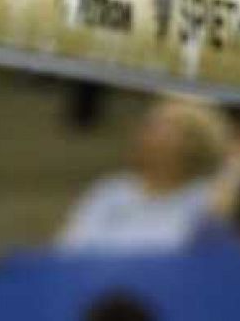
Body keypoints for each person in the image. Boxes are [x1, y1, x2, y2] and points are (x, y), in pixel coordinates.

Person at [57, 97, 230, 253]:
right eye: (147, 126)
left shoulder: (209, 200)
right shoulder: (109, 190)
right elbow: (70, 251)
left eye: (160, 128)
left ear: (194, 143)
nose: (144, 134)